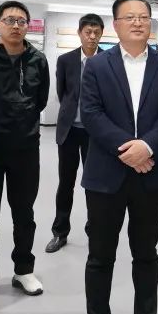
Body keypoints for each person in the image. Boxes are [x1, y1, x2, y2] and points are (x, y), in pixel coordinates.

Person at [77, 0, 158, 314]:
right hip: (106, 174)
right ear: (116, 25)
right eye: (129, 17)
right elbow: (91, 113)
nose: (138, 22)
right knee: (100, 256)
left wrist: (147, 146)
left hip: (151, 175)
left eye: (144, 17)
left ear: (150, 23)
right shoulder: (97, 65)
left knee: (146, 253)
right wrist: (129, 149)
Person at [0, 1, 50, 298]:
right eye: (9, 20)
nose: (15, 26)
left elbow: (41, 100)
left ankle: (23, 269)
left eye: (21, 21)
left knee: (24, 213)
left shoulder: (38, 60)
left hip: (26, 147)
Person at [47, 13, 105, 253]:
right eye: (87, 32)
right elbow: (63, 94)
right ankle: (60, 232)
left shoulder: (108, 60)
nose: (92, 37)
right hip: (69, 131)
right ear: (80, 33)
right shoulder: (66, 60)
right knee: (66, 183)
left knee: (95, 184)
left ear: (101, 34)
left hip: (96, 134)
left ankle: (95, 232)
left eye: (96, 32)